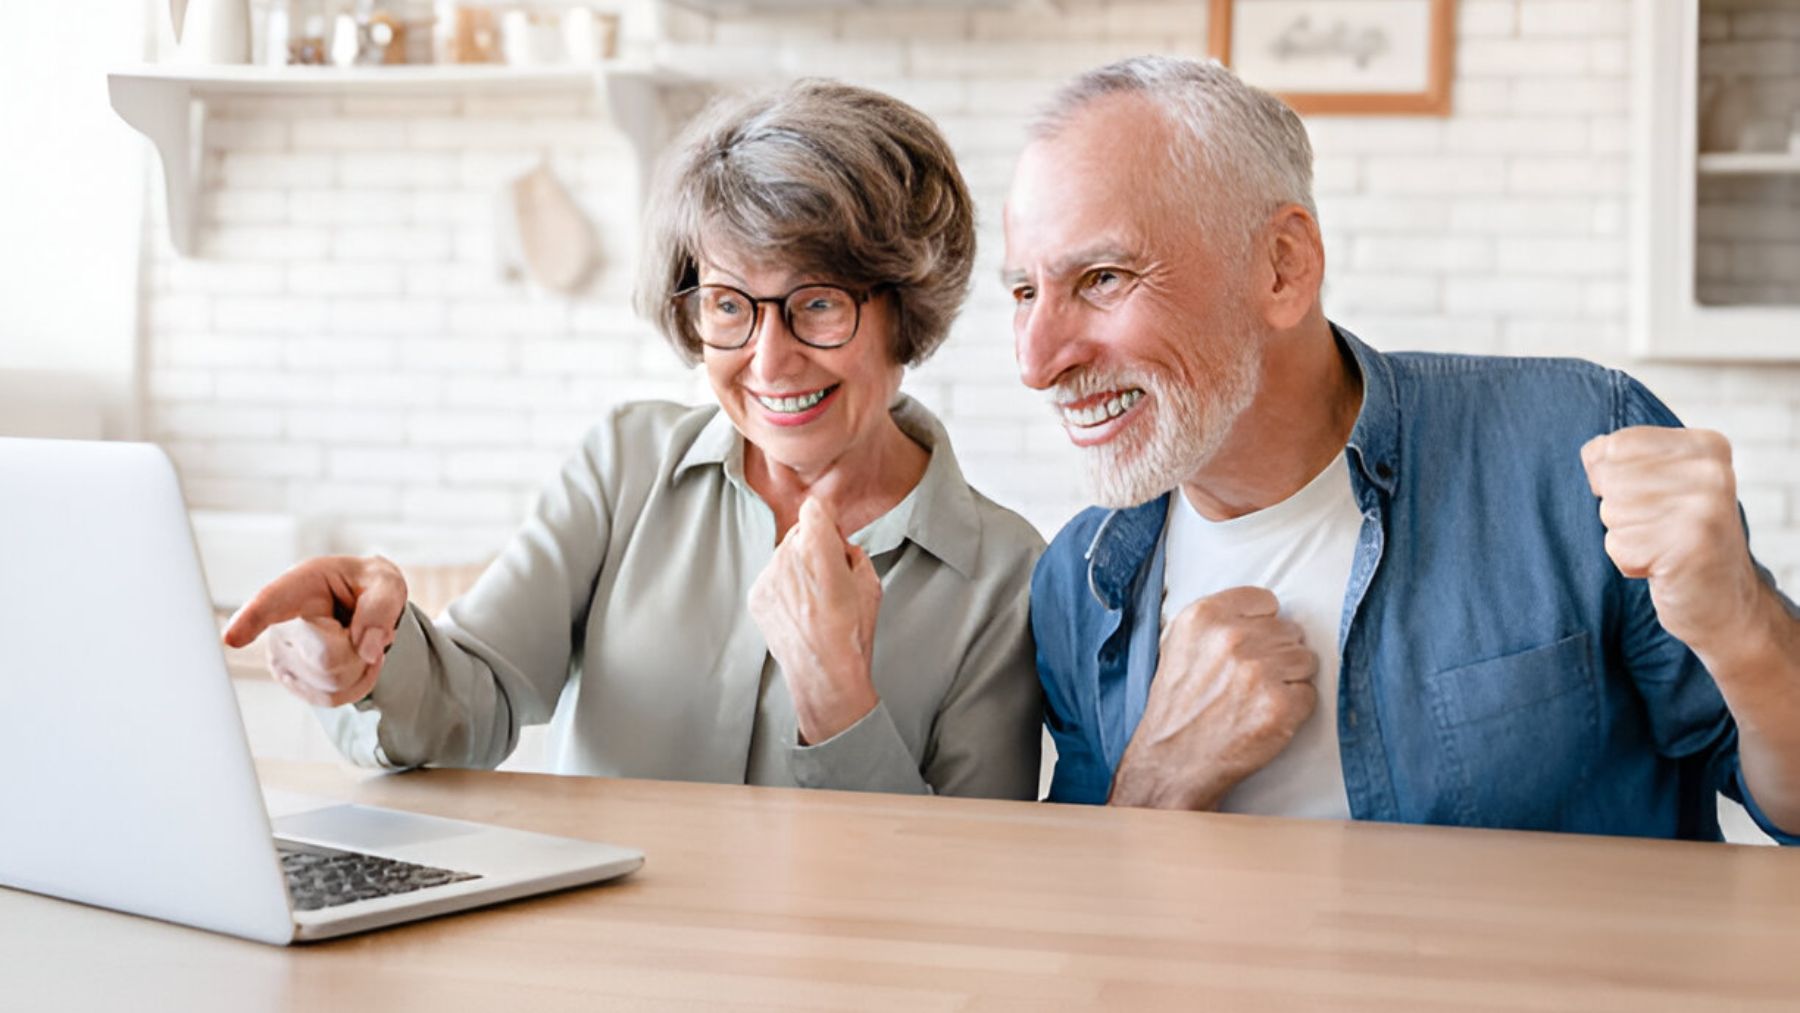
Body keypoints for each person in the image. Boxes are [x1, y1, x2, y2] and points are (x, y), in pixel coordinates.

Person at [1005, 56, 1800, 840]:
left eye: (1103, 278)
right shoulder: (1078, 584)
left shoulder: (1575, 449)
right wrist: (1158, 778)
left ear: (1283, 268)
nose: (1037, 363)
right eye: (1025, 292)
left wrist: (1743, 626)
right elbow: (1099, 923)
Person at [223, 80, 1045, 799]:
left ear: (908, 309)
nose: (768, 358)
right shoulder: (626, 466)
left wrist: (837, 693)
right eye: (728, 304)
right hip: (597, 972)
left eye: (820, 302)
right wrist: (367, 654)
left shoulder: (1003, 574)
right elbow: (471, 703)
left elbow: (972, 883)